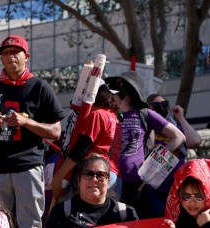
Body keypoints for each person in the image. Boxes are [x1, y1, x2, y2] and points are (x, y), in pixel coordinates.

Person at [0, 34, 65, 228]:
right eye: (6, 53)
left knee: (30, 225)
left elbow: (56, 132)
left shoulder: (40, 87)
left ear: (27, 56)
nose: (10, 56)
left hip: (28, 165)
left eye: (15, 52)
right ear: (1, 59)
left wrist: (26, 122)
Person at [104, 71, 185, 211]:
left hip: (138, 184)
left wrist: (156, 159)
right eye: (114, 90)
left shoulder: (144, 114)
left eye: (121, 90)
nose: (115, 94)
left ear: (131, 94)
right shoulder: (106, 114)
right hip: (110, 180)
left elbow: (179, 136)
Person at [51, 81, 121, 202]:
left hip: (93, 174)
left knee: (74, 216)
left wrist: (58, 177)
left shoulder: (97, 115)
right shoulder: (114, 117)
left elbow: (80, 149)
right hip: (110, 175)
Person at [140, 93, 202, 218]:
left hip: (177, 187)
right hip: (154, 188)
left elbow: (194, 141)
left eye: (164, 105)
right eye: (156, 105)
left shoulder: (176, 127)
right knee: (161, 221)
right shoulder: (145, 129)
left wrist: (180, 118)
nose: (161, 108)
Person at [45, 155, 138, 228]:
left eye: (101, 175)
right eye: (88, 174)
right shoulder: (62, 211)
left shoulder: (126, 213)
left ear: (108, 181)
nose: (94, 179)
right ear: (79, 180)